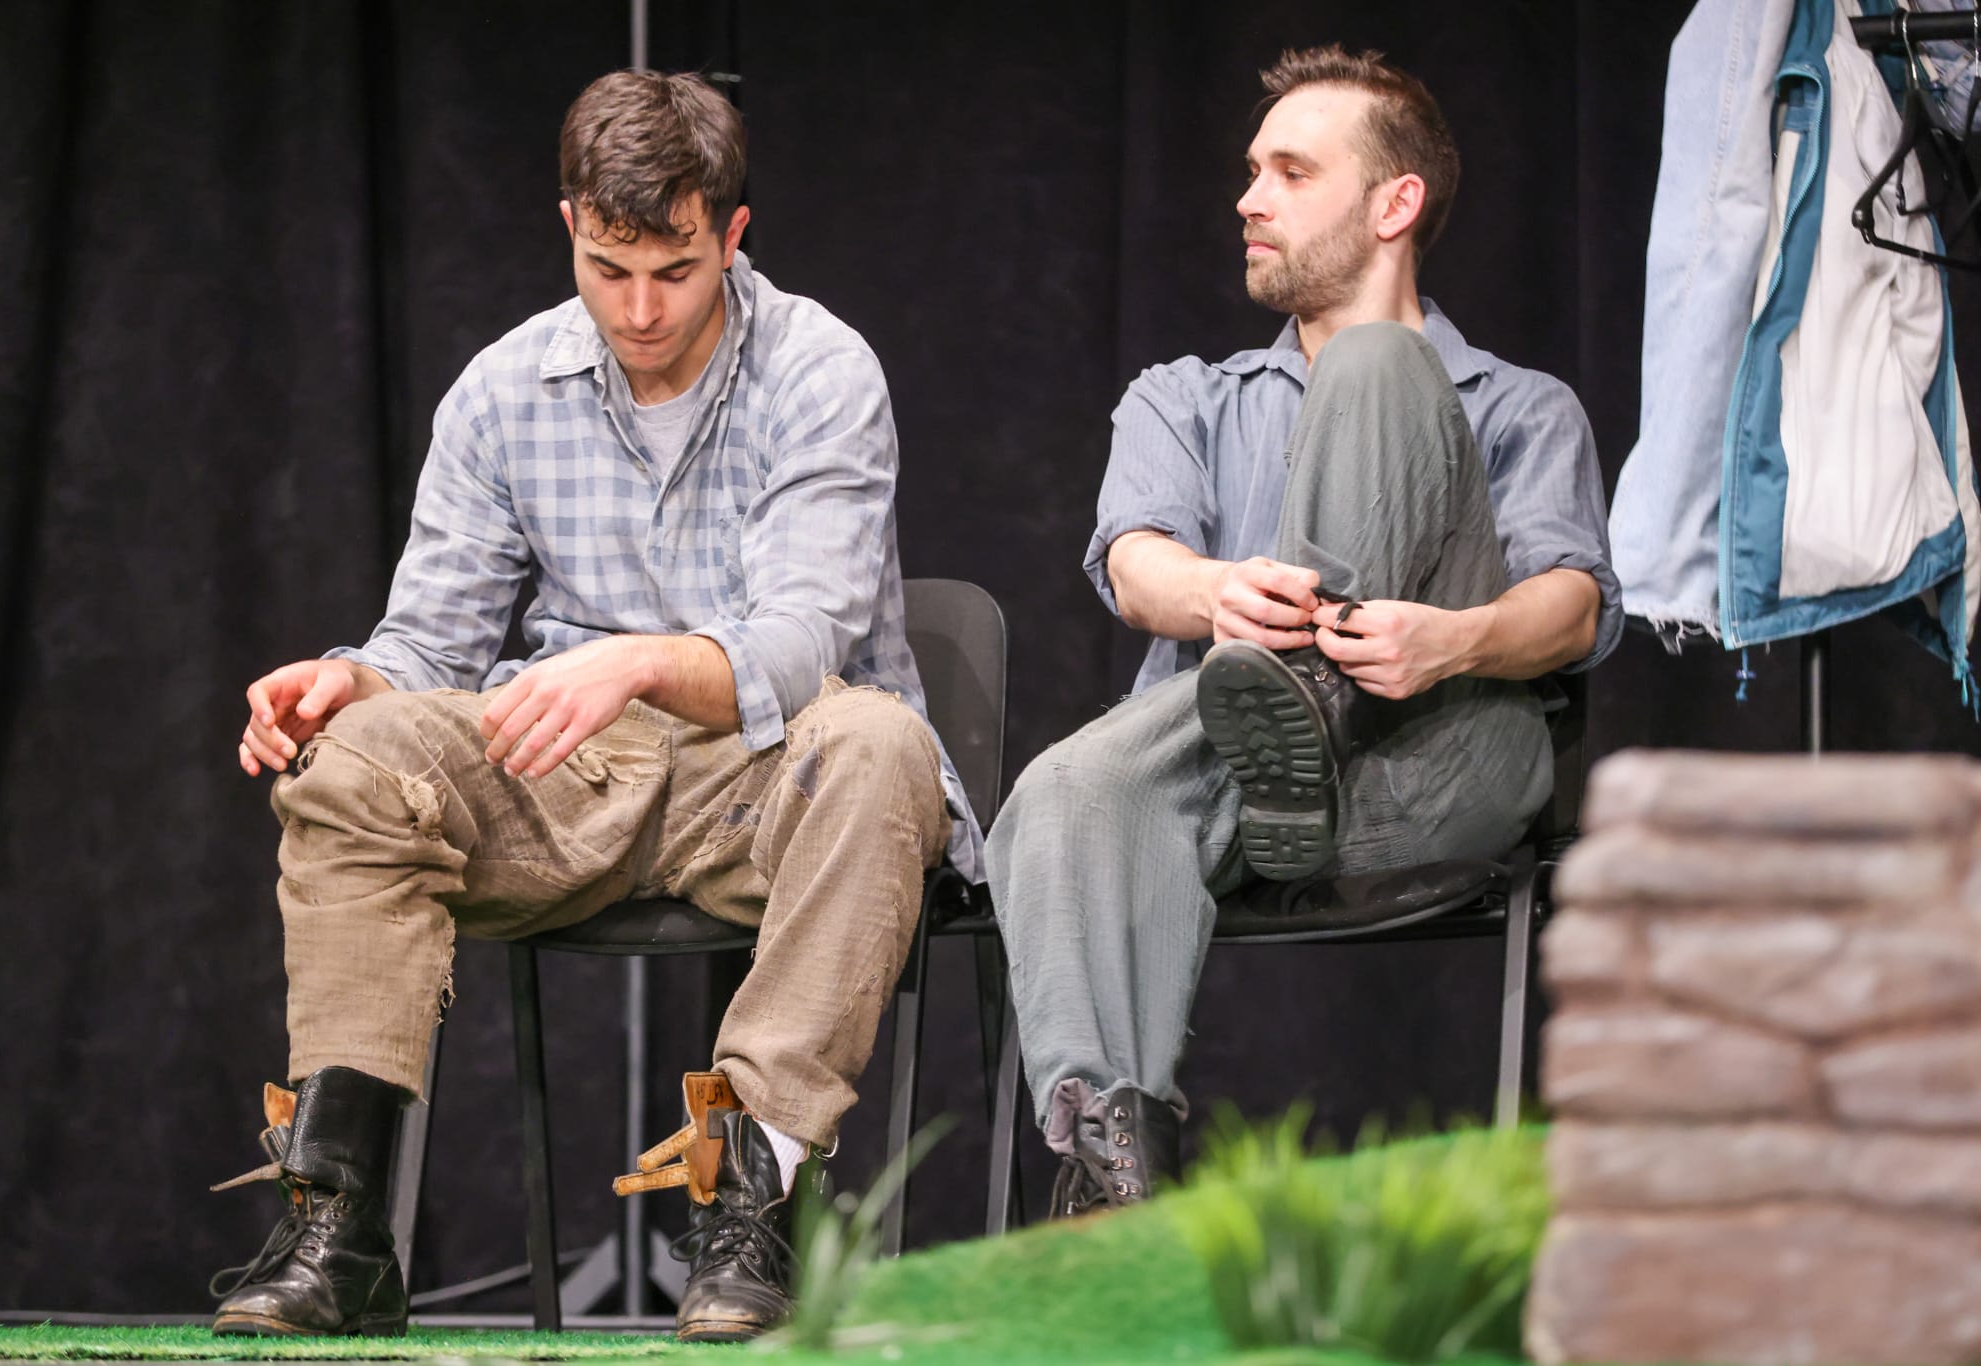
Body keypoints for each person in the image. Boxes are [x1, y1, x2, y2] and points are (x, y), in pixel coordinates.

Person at [208, 69, 978, 1343]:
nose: (638, 308)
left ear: (733, 235)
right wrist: (353, 679)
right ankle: (338, 1225)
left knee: (881, 744)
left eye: (675, 270)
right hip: (570, 781)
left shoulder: (819, 367)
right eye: (607, 268)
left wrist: (634, 661)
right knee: (351, 755)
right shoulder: (501, 388)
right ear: (569, 224)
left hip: (770, 773)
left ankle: (749, 1213)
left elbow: (802, 641)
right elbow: (431, 640)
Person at [984, 44, 1622, 1214]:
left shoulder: (1519, 406)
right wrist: (1217, 594)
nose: (1248, 198)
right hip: (1240, 792)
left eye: (1288, 172)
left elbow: (1572, 604)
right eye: (1248, 171)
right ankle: (1111, 1190)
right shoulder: (1183, 394)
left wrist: (1451, 639)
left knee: (1378, 362)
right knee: (1064, 787)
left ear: (1393, 203)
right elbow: (1134, 564)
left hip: (1432, 759)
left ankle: (1306, 703)